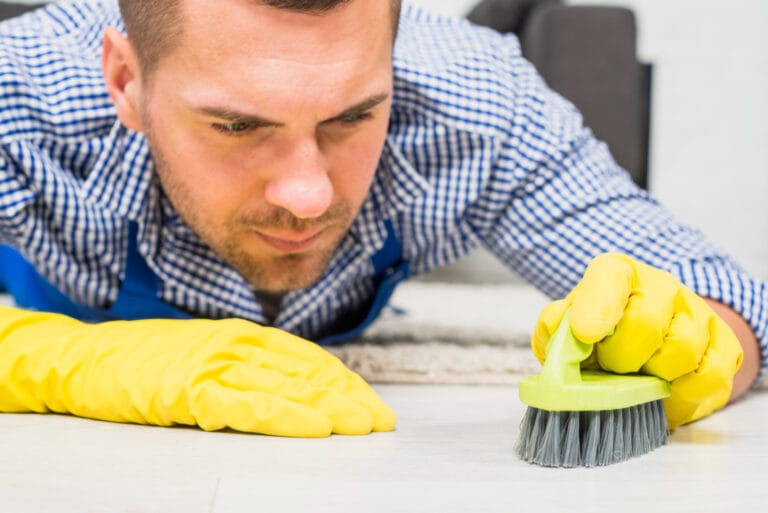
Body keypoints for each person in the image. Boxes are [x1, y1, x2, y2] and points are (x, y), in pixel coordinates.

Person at [0, 0, 763, 437]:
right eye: (237, 127)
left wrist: (697, 343)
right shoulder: (20, 91)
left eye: (352, 117)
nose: (308, 194)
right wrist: (58, 359)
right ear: (125, 81)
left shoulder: (473, 100)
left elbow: (728, 297)